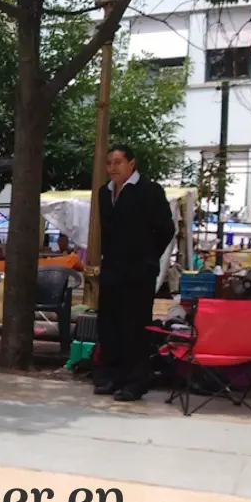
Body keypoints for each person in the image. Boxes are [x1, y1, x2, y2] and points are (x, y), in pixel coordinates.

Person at [95, 144, 176, 402]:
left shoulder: (149, 191)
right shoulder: (103, 194)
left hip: (138, 271)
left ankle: (135, 380)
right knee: (109, 324)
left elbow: (166, 229)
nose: (112, 168)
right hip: (112, 269)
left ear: (132, 164)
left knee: (134, 326)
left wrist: (148, 258)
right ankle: (111, 376)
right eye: (109, 163)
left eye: (118, 162)